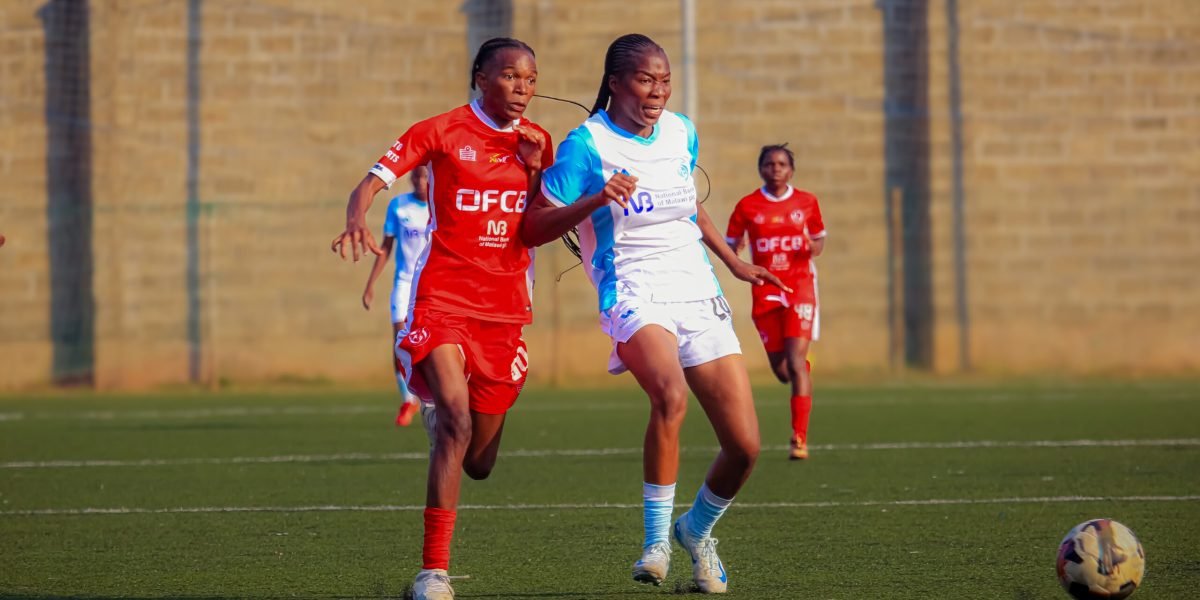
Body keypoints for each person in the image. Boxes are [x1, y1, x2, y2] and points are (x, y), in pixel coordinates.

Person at [519, 33, 785, 594]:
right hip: (633, 289)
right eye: (645, 80)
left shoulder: (682, 131)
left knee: (745, 447)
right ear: (615, 83)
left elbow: (688, 203)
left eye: (664, 81)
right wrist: (596, 199)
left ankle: (697, 530)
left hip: (696, 288)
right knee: (670, 395)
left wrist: (734, 262)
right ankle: (656, 541)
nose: (657, 91)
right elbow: (534, 225)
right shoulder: (586, 145)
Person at [331, 37, 552, 600]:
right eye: (509, 76)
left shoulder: (538, 143)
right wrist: (358, 216)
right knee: (454, 418)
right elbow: (371, 180)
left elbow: (538, 225)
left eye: (530, 78)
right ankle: (433, 573)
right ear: (480, 77)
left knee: (478, 462)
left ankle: (447, 425)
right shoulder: (440, 130)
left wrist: (532, 175)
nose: (522, 87)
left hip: (505, 314)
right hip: (443, 300)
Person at [725, 144, 826, 460]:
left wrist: (812, 246)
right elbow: (730, 244)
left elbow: (820, 238)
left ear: (791, 169)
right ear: (761, 168)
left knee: (795, 363)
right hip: (765, 291)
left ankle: (799, 439)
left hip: (800, 289)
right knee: (784, 371)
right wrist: (737, 250)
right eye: (769, 164)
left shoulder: (807, 202)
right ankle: (800, 373)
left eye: (782, 164)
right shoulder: (748, 206)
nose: (775, 169)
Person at [361, 165, 431, 426]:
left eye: (425, 176)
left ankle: (429, 395)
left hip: (431, 285)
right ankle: (407, 400)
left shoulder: (441, 205)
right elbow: (386, 248)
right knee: (400, 342)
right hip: (404, 283)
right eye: (416, 176)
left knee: (429, 343)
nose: (420, 181)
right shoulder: (398, 206)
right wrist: (370, 284)